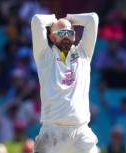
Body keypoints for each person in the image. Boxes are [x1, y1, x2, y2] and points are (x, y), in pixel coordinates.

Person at [31, 12, 99, 153]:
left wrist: (68, 19)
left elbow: (92, 19)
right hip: (52, 132)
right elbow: (37, 21)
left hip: (80, 132)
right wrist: (56, 20)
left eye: (69, 31)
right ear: (51, 37)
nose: (66, 35)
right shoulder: (44, 56)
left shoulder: (83, 54)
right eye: (61, 32)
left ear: (74, 35)